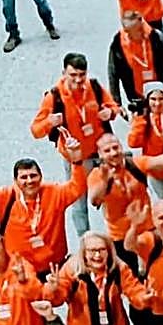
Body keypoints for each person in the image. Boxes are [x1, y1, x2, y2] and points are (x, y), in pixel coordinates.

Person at [31, 53, 123, 237]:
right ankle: (85, 240)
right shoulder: (54, 97)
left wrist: (111, 112)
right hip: (77, 159)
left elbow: (114, 106)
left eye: (82, 75)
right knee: (79, 202)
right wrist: (49, 122)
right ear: (64, 73)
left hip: (101, 155)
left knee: (111, 195)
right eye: (73, 75)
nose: (78, 80)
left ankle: (115, 236)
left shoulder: (94, 87)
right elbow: (36, 130)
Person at [86, 133, 157, 259]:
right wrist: (105, 181)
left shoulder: (135, 164)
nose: (113, 153)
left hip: (147, 228)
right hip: (120, 236)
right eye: (107, 150)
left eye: (115, 147)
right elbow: (94, 200)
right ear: (100, 154)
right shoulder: (97, 175)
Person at [108, 10, 163, 112]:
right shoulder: (118, 43)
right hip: (136, 96)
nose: (129, 35)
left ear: (141, 25)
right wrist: (116, 103)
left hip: (160, 94)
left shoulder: (157, 38)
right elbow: (113, 74)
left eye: (133, 31)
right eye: (127, 31)